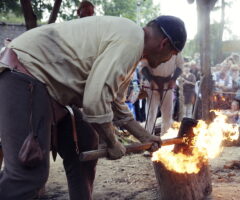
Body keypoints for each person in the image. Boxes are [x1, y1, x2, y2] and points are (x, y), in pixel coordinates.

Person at [0, 15, 187, 199]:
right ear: (164, 44)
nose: (168, 60)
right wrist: (112, 142)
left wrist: (144, 136)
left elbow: (114, 103)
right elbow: (95, 101)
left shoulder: (131, 42)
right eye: (172, 54)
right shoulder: (130, 42)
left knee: (85, 139)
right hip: (24, 75)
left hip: (46, 86)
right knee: (27, 175)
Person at [140, 53, 184, 135]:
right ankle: (149, 137)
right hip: (152, 83)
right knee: (151, 113)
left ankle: (165, 136)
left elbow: (180, 66)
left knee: (168, 113)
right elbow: (143, 66)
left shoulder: (176, 48)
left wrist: (174, 79)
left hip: (168, 83)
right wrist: (150, 80)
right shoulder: (152, 45)